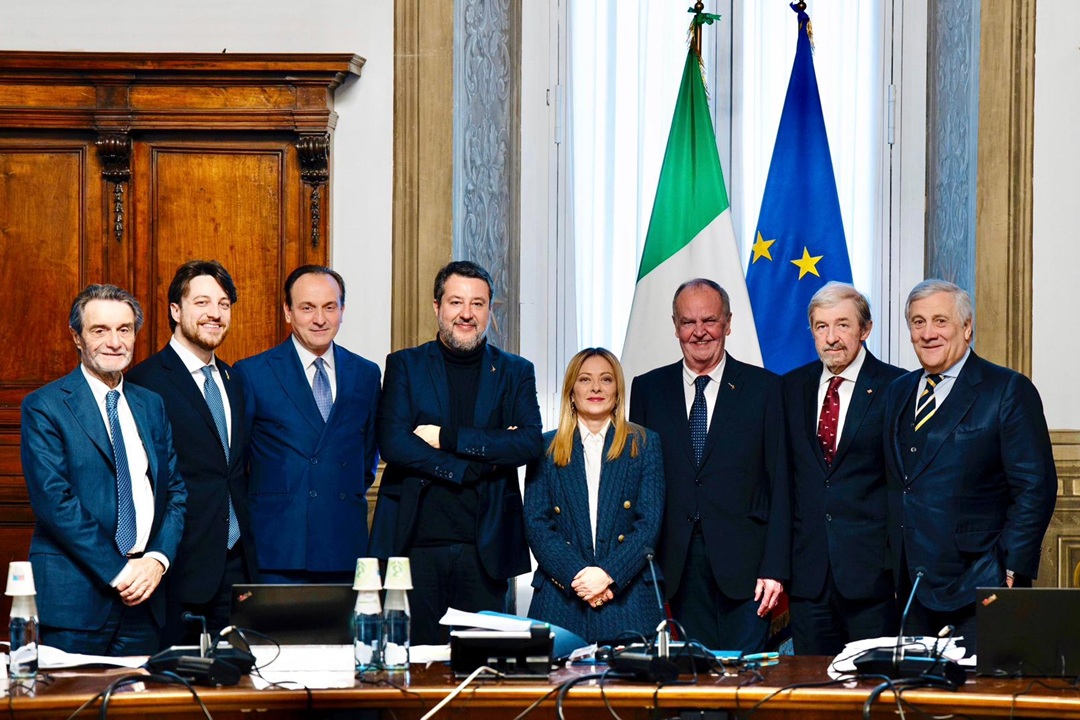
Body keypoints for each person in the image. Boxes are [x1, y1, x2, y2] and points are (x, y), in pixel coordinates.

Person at [370, 260, 544, 645]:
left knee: (483, 671)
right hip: (414, 547)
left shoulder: (515, 371)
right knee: (413, 668)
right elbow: (395, 442)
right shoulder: (405, 365)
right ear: (437, 307)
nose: (467, 313)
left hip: (485, 551)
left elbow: (530, 441)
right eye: (456, 302)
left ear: (489, 312)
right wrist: (469, 468)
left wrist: (447, 437)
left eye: (478, 304)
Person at [884, 279, 1057, 651]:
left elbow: (1035, 487)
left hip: (979, 584)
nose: (928, 333)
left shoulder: (1007, 389)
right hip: (908, 585)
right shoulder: (898, 391)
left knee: (977, 702)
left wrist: (1011, 569)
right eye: (917, 322)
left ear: (967, 327)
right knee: (915, 702)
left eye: (940, 321)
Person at [20, 284, 186, 655]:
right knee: (74, 710)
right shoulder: (45, 406)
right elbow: (54, 502)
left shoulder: (150, 405)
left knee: (139, 709)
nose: (115, 341)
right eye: (100, 330)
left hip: (146, 596)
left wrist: (157, 561)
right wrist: (121, 571)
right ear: (77, 337)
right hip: (75, 600)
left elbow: (174, 492)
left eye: (124, 329)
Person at [628, 278, 789, 653]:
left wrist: (775, 567)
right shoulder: (648, 389)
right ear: (675, 326)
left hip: (748, 570)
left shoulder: (765, 389)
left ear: (728, 323)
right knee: (690, 685)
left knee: (746, 686)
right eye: (688, 322)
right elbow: (638, 483)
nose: (699, 332)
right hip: (676, 567)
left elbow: (781, 484)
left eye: (710, 321)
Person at [127, 260, 257, 646]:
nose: (215, 314)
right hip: (178, 567)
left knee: (237, 693)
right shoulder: (143, 383)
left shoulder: (234, 380)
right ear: (175, 310)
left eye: (223, 304)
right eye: (202, 302)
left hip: (237, 566)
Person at [235, 265, 380, 584]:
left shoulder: (366, 374)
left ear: (343, 310)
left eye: (330, 307)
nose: (320, 319)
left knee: (344, 635)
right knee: (275, 636)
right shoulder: (254, 373)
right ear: (288, 312)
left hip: (343, 543)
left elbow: (366, 460)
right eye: (307, 308)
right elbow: (238, 464)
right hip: (278, 548)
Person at [781, 282, 904, 655]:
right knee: (811, 693)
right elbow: (783, 481)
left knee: (872, 693)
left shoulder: (897, 387)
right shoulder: (789, 388)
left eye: (842, 325)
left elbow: (903, 484)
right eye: (821, 326)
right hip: (809, 577)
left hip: (872, 579)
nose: (831, 338)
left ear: (865, 330)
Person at [524, 348, 665, 644]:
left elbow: (649, 524)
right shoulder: (544, 448)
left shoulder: (644, 443)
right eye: (585, 380)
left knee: (629, 689)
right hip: (560, 601)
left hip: (628, 601)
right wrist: (579, 576)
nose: (596, 388)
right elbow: (537, 525)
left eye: (606, 379)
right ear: (571, 392)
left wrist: (607, 575)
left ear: (617, 390)